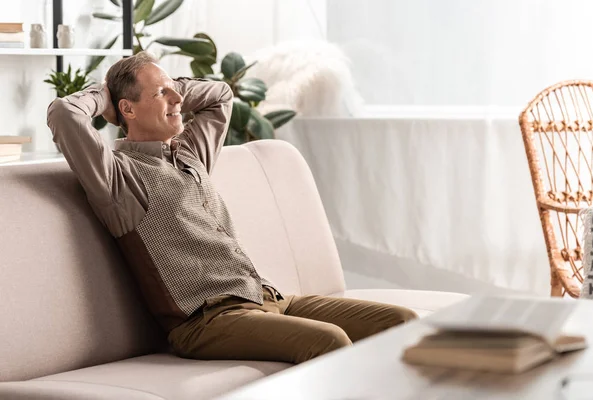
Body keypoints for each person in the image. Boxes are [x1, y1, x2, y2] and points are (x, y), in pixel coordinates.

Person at [47, 51, 418, 364]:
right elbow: (65, 114)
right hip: (206, 321)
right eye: (162, 94)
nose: (177, 100)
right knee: (329, 341)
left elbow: (220, 95)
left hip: (267, 297)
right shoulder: (117, 177)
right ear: (126, 108)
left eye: (176, 93)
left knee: (401, 321)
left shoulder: (190, 155)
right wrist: (106, 96)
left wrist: (168, 88)